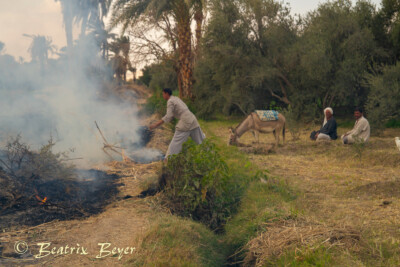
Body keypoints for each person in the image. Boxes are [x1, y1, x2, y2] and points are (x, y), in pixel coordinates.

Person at [149, 88, 206, 159]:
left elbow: (168, 116)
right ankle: (211, 156)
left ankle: (168, 160)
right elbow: (174, 114)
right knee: (201, 141)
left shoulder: (170, 101)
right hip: (192, 118)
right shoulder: (176, 99)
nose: (162, 96)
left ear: (167, 94)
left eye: (163, 94)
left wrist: (155, 125)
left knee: (175, 143)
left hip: (185, 122)